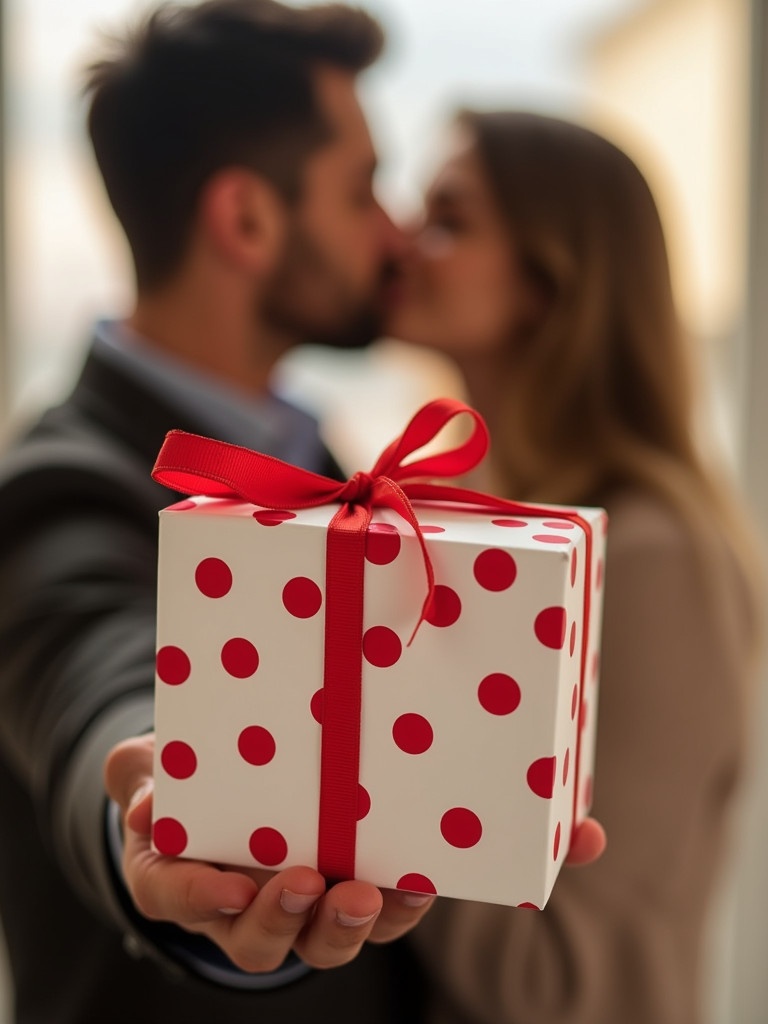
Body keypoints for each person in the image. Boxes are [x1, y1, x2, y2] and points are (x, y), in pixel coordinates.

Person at [0, 5, 604, 1024]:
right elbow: (98, 688)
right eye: (363, 187)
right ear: (245, 221)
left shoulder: (323, 466)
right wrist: (161, 808)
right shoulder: (58, 487)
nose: (396, 231)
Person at [385, 109, 764, 1023]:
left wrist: (367, 775)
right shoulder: (462, 521)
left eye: (448, 219)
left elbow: (579, 982)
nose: (399, 241)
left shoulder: (653, 561)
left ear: (548, 286)